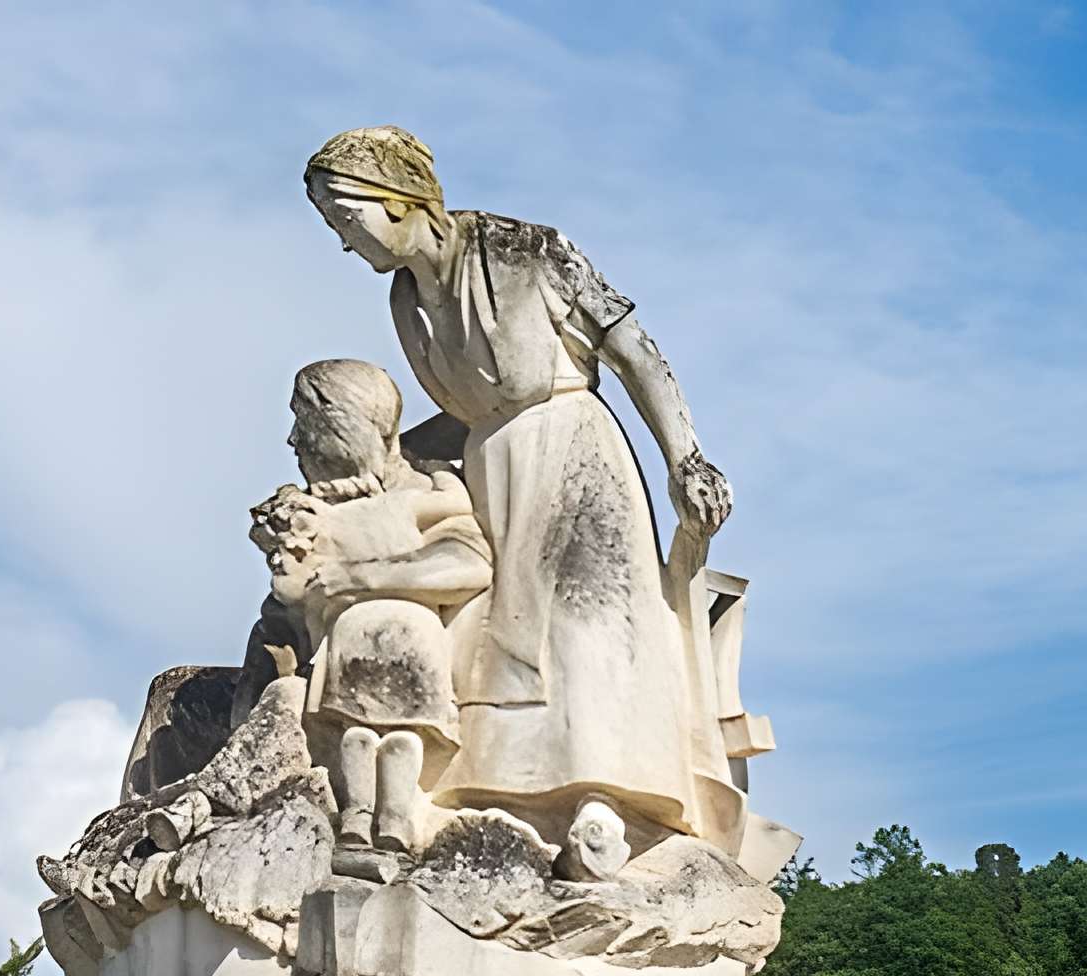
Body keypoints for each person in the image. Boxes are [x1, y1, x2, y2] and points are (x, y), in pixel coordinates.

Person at [303, 125, 748, 859]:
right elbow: (462, 411)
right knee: (499, 633)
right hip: (489, 464)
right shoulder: (406, 299)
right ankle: (512, 799)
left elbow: (631, 350)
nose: (346, 243)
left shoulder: (525, 252)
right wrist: (378, 473)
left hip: (574, 450)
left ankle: (603, 799)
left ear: (395, 200)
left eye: (344, 220)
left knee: (588, 628)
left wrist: (686, 458)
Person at [250, 359, 491, 858]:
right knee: (176, 693)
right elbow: (285, 617)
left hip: (392, 653)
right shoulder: (309, 509)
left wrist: (357, 579)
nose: (292, 441)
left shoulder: (424, 491)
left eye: (303, 422)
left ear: (342, 425)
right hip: (301, 670)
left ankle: (383, 814)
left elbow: (466, 562)